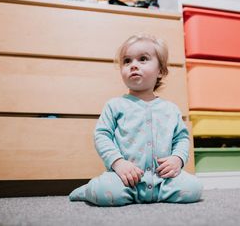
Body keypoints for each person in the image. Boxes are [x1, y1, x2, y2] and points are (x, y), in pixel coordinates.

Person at [69, 34, 203, 206]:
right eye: (127, 61)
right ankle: (88, 190)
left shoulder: (171, 109)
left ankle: (158, 194)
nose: (133, 65)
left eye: (143, 59)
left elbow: (182, 139)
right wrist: (118, 163)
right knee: (104, 192)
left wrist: (177, 159)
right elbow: (102, 135)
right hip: (125, 179)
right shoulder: (115, 105)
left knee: (194, 188)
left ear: (160, 70)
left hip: (163, 181)